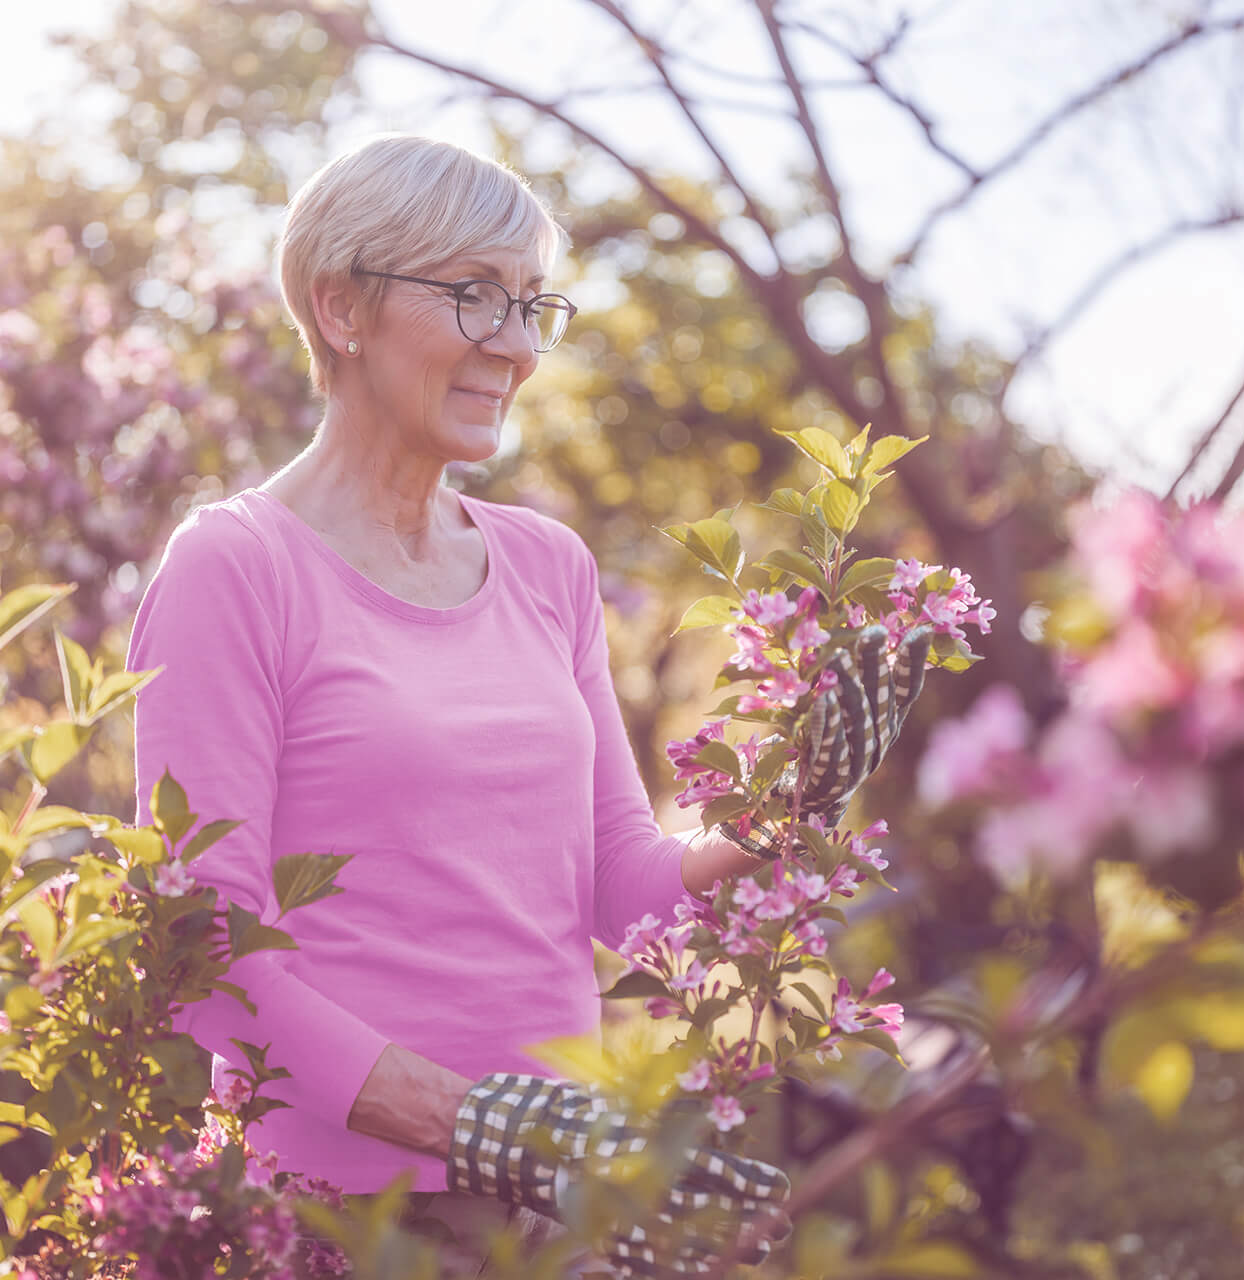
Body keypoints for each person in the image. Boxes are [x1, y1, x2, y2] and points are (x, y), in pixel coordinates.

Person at [126, 134, 925, 1278]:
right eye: (472, 297)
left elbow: (619, 882)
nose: (514, 345)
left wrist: (786, 801)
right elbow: (204, 950)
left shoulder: (549, 567)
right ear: (340, 306)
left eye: (529, 304)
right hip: (342, 1213)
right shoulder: (235, 567)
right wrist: (483, 1127)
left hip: (557, 1196)